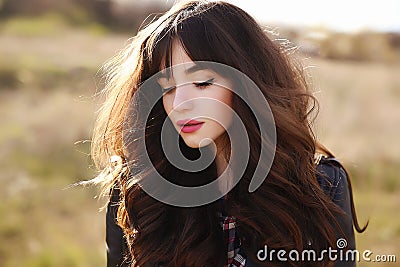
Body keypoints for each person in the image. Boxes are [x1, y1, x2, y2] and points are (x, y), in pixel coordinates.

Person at [90, 1, 367, 266]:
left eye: (202, 82)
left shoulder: (320, 187)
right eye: (167, 87)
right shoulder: (138, 189)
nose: (179, 103)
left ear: (247, 82)